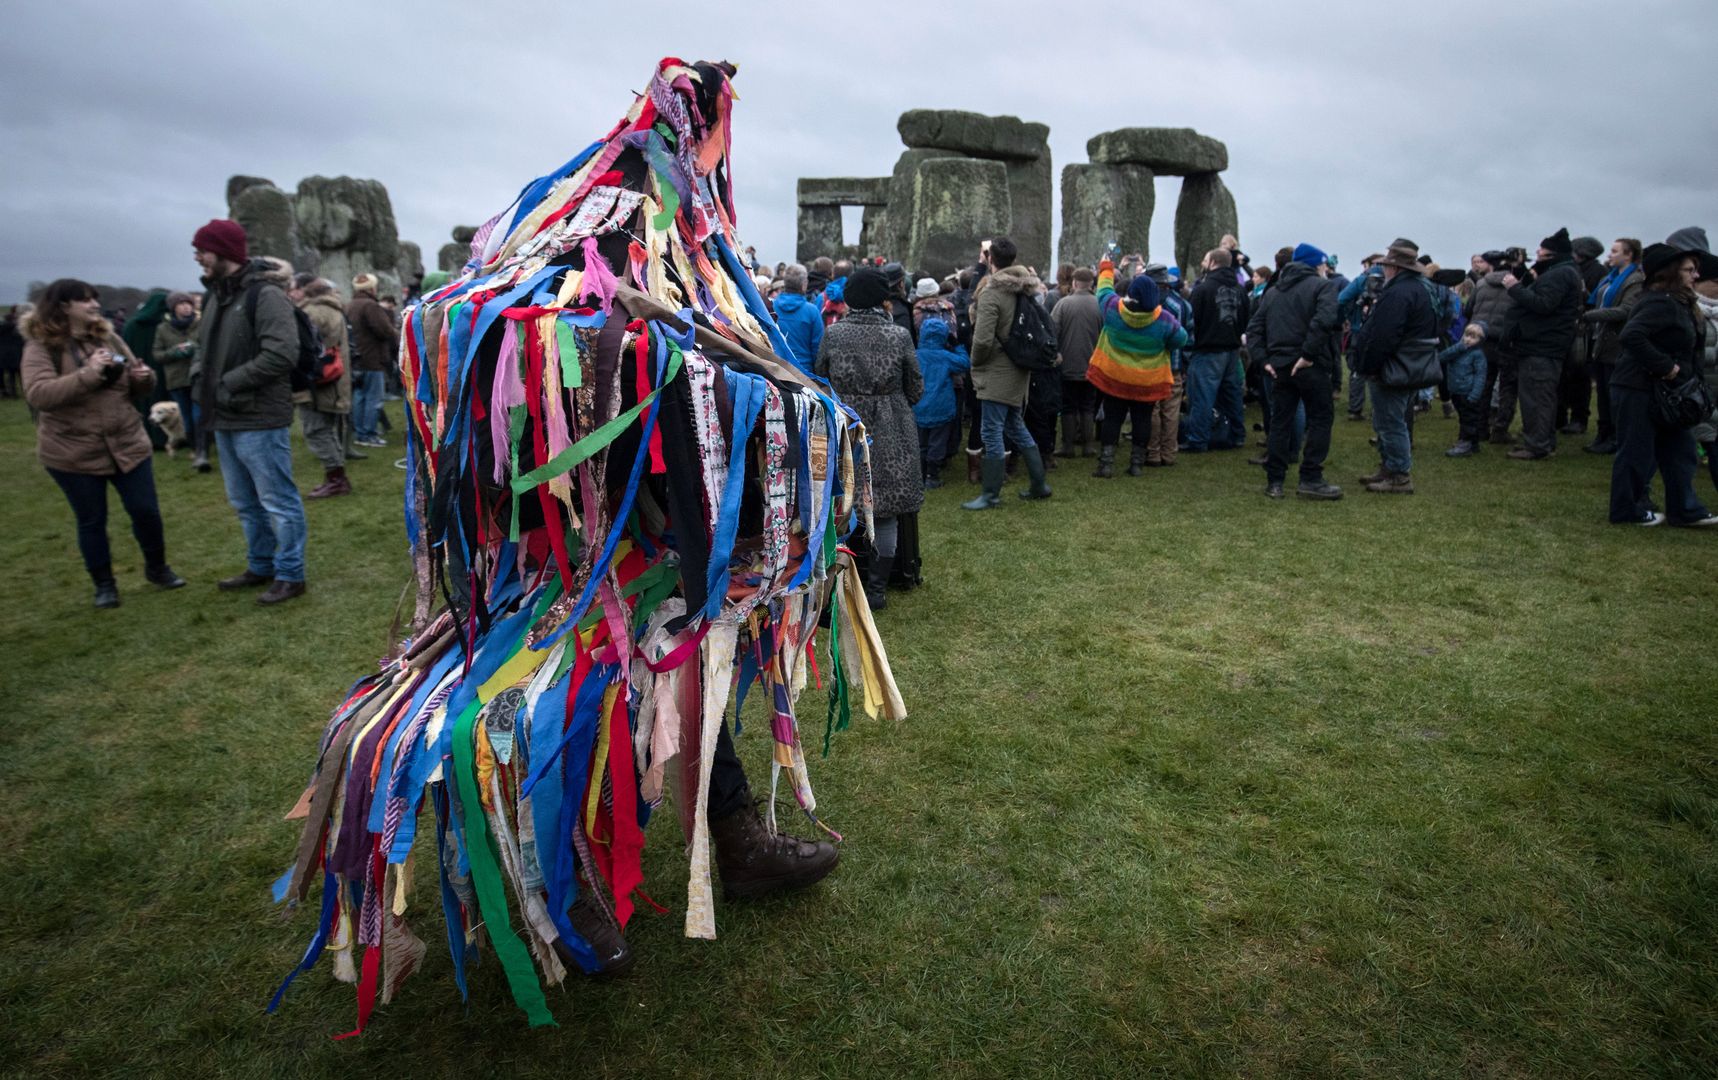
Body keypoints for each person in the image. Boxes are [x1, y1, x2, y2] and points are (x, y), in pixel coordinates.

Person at [21, 279, 187, 607]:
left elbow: (135, 379)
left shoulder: (108, 336)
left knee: (146, 511)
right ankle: (104, 585)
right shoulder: (41, 347)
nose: (95, 305)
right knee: (92, 519)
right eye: (86, 301)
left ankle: (158, 568)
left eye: (95, 300)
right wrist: (89, 374)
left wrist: (144, 380)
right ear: (64, 306)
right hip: (73, 451)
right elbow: (39, 395)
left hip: (126, 440)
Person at [192, 218, 308, 604]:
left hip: (258, 416)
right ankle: (261, 564)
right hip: (224, 414)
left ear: (223, 251)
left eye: (202, 250)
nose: (197, 257)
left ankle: (291, 574)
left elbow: (281, 353)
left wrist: (227, 384)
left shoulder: (266, 296)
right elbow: (203, 350)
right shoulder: (214, 296)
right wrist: (200, 378)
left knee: (277, 499)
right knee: (244, 501)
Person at [815, 266, 924, 606]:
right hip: (892, 428)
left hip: (846, 425)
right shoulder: (899, 335)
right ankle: (876, 588)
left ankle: (842, 581)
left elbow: (820, 376)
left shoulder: (834, 334)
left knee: (841, 502)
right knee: (885, 507)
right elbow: (916, 387)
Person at [1606, 241, 1718, 526]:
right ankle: (1626, 510)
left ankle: (1684, 509)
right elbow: (1632, 336)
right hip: (1639, 387)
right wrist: (1667, 367)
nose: (1695, 275)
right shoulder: (1659, 302)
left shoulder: (1678, 303)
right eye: (1689, 270)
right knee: (1636, 450)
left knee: (1681, 451)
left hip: (1667, 391)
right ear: (1670, 273)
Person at [1247, 243, 1343, 499]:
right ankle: (1311, 477)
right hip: (1310, 364)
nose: (1326, 268)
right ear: (1316, 265)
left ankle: (1275, 481)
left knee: (1281, 420)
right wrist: (1308, 355)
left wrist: (1263, 359)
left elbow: (1254, 328)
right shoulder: (1324, 287)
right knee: (1320, 419)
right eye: (1323, 264)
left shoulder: (1273, 292)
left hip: (1279, 365)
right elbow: (1324, 321)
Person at [962, 236, 1051, 508]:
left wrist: (975, 362)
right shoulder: (1024, 288)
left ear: (990, 260)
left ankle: (990, 494)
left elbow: (983, 339)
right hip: (1019, 367)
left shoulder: (992, 292)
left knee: (991, 431)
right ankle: (1038, 483)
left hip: (997, 371)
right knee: (1015, 426)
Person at [1086, 255, 1188, 478]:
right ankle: (1136, 464)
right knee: (1143, 420)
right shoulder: (1164, 320)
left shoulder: (1113, 309)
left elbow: (1103, 290)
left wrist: (1106, 267)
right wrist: (1163, 344)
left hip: (1115, 377)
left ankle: (1105, 464)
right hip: (1147, 380)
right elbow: (1181, 339)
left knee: (1113, 419)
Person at [1354, 244, 1437, 494]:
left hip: (1393, 366)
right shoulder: (1418, 289)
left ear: (1394, 267)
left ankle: (1399, 475)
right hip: (1406, 364)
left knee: (1391, 422)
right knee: (1389, 420)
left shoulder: (1399, 293)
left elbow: (1384, 335)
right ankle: (1389, 468)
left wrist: (1370, 364)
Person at [1501, 228, 1584, 460]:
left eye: (1542, 249)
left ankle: (1537, 444)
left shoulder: (1559, 274)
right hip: (1544, 343)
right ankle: (1541, 440)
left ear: (1552, 253)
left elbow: (1544, 304)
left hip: (1542, 344)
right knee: (1540, 394)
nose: (1537, 252)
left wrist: (1514, 288)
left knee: (1537, 395)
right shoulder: (1561, 272)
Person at [289, 274, 354, 498]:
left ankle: (336, 478)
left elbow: (300, 347)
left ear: (305, 291)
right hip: (334, 380)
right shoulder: (334, 308)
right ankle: (337, 476)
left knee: (316, 430)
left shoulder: (312, 312)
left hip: (319, 381)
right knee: (326, 429)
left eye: (294, 289)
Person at [1579, 239, 1644, 455]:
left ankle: (1616, 437)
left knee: (1613, 394)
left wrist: (1590, 316)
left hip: (1616, 343)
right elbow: (1596, 300)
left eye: (1615, 251)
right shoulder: (1610, 278)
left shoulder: (1635, 280)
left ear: (1629, 255)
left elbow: (1626, 310)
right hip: (1600, 340)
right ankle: (1603, 434)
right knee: (1604, 394)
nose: (1611, 254)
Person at [1183, 247, 1249, 454]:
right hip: (1232, 349)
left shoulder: (1203, 289)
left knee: (1202, 396)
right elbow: (1245, 319)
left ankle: (1198, 439)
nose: (1203, 263)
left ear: (1212, 262)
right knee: (1233, 395)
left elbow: (1194, 320)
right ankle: (1237, 435)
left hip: (1208, 349)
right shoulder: (1240, 290)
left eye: (1204, 260)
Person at [1142, 262, 1192, 467]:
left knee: (1152, 409)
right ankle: (1169, 452)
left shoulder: (1145, 305)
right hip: (1175, 364)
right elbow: (1189, 337)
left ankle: (1152, 452)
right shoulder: (1181, 305)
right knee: (1171, 410)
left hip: (1149, 365)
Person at [912, 316, 969, 489]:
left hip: (919, 406)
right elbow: (965, 363)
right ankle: (932, 475)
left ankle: (920, 474)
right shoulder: (945, 356)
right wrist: (957, 345)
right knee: (937, 442)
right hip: (941, 406)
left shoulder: (915, 355)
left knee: (921, 442)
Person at [1051, 266, 1102, 458]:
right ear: (1091, 284)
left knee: (1068, 407)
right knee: (1088, 406)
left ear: (1074, 283)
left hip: (1067, 365)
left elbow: (1052, 331)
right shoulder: (1100, 305)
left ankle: (1068, 446)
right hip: (1093, 365)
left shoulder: (1063, 305)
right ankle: (1088, 446)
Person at [152, 291, 204, 467]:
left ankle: (201, 449)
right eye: (181, 304)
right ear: (173, 308)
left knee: (199, 416)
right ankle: (194, 448)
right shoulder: (163, 329)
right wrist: (174, 351)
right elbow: (157, 354)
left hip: (198, 376)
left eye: (188, 303)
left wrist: (195, 348)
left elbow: (210, 345)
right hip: (177, 379)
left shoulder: (200, 324)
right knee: (187, 418)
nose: (186, 306)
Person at [346, 272, 397, 447]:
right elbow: (384, 330)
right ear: (372, 288)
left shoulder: (350, 305)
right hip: (372, 357)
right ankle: (368, 433)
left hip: (356, 358)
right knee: (374, 398)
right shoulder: (370, 306)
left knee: (360, 396)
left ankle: (359, 432)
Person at [1441, 322, 1490, 457]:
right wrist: (1458, 347)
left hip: (1468, 392)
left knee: (1469, 418)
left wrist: (1475, 394)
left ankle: (1465, 443)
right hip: (1456, 391)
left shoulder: (1478, 355)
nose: (1468, 339)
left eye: (1474, 337)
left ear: (1481, 340)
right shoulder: (1458, 349)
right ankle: (1472, 443)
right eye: (1467, 335)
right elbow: (1442, 357)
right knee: (1464, 417)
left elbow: (1481, 376)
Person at [772, 263, 823, 369]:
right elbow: (818, 350)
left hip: (777, 371)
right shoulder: (812, 311)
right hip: (804, 373)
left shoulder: (771, 307)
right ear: (804, 284)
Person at [0, 306, 23, 398]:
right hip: (16, 355)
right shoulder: (16, 330)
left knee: (10, 376)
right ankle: (24, 390)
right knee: (19, 375)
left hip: (3, 356)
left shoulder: (1, 330)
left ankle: (8, 392)